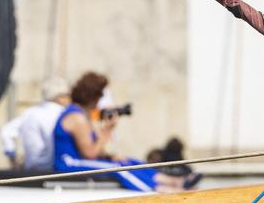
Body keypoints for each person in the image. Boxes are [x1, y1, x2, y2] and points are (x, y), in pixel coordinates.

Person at [52, 72, 199, 192]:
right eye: (100, 95)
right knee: (118, 168)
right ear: (93, 96)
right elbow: (89, 153)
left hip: (80, 160)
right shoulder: (77, 118)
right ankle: (158, 190)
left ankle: (174, 182)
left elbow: (94, 150)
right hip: (69, 165)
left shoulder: (83, 115)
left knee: (131, 162)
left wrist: (110, 155)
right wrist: (107, 130)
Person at [0, 76, 70, 171]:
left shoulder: (29, 113)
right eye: (68, 96)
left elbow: (5, 131)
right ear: (60, 97)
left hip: (31, 171)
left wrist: (12, 159)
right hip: (55, 171)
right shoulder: (64, 114)